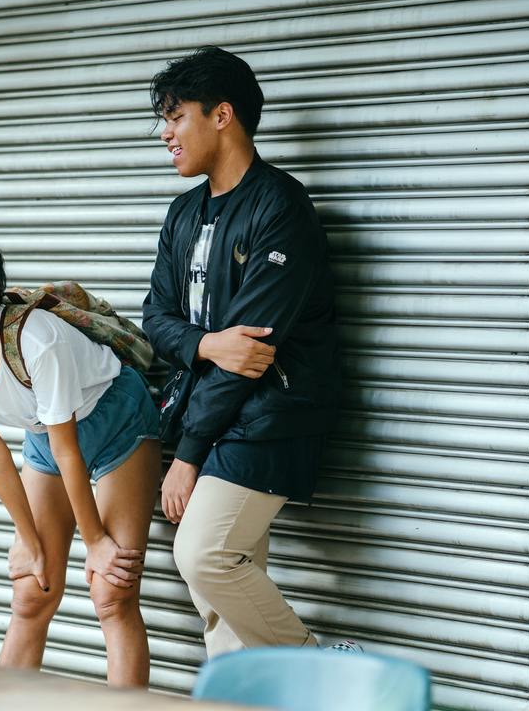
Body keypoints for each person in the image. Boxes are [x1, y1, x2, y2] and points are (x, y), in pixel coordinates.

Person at [142, 46, 341, 657]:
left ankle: (320, 668)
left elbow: (250, 355)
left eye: (176, 117)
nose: (164, 133)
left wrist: (189, 456)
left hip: (270, 420)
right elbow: (156, 319)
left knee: (204, 555)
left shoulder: (279, 206)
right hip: (210, 413)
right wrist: (205, 342)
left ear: (222, 114)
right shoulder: (184, 213)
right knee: (221, 609)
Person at [0, 230, 161, 687]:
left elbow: (71, 452)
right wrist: (28, 540)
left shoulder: (36, 338)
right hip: (46, 436)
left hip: (115, 418)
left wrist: (97, 542)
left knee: (112, 592)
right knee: (32, 591)